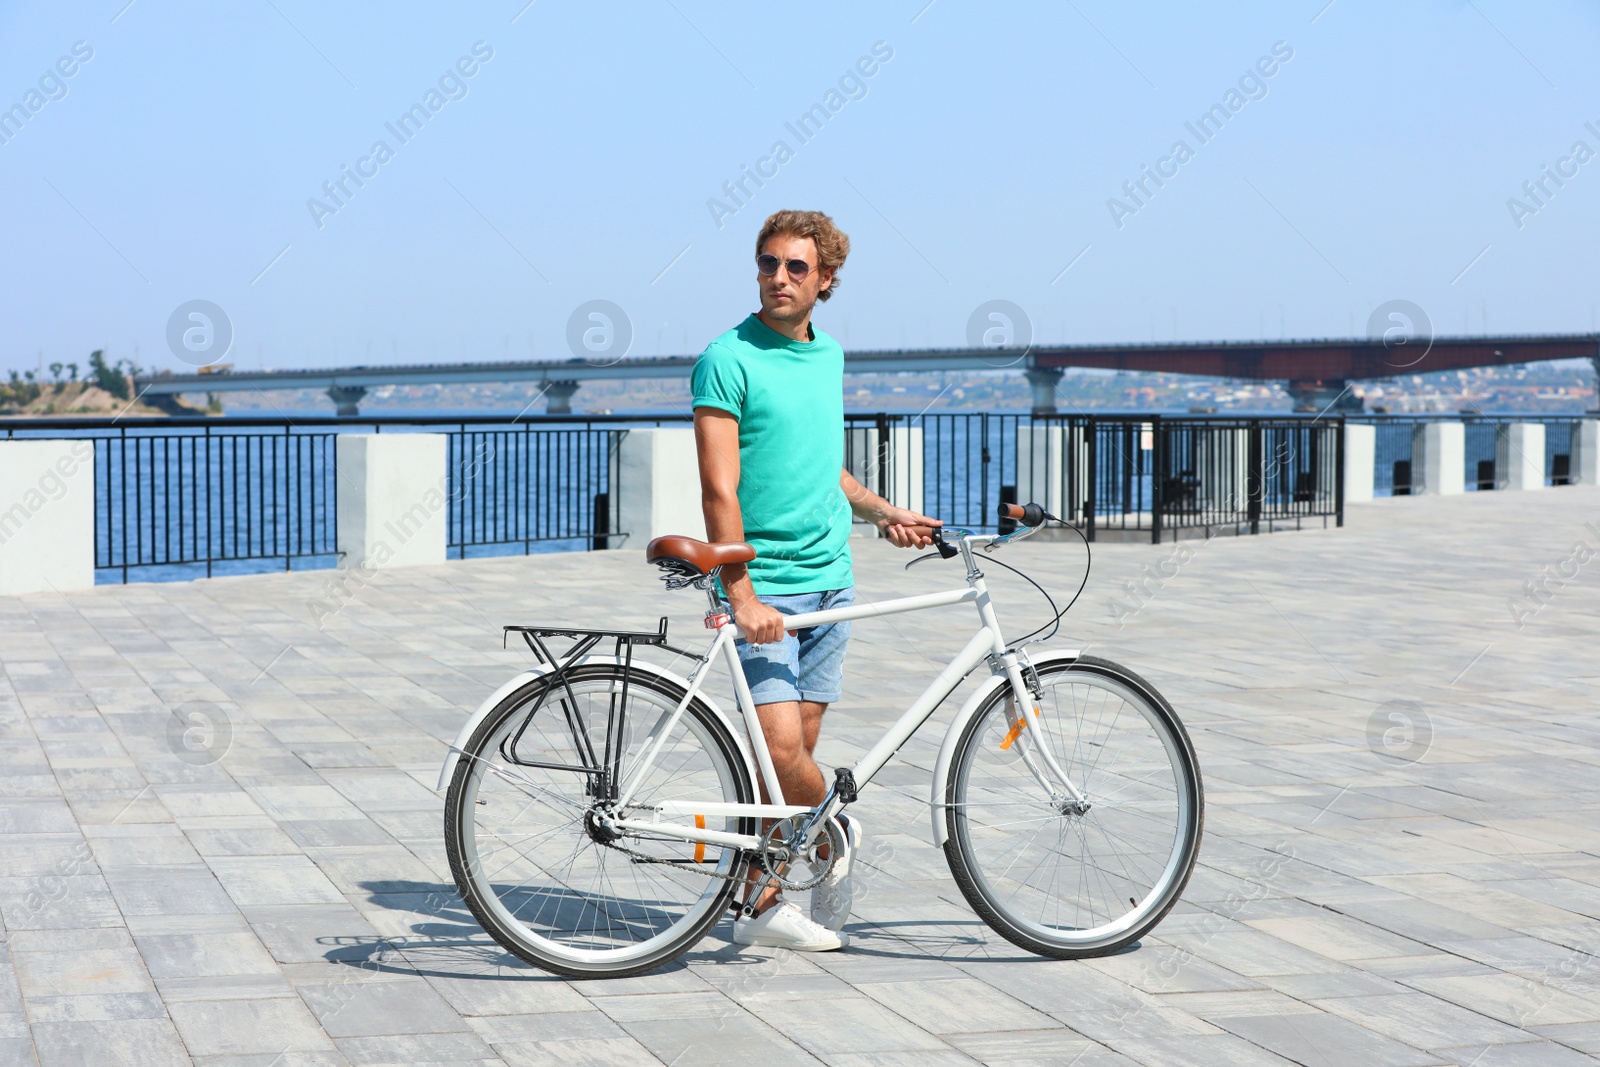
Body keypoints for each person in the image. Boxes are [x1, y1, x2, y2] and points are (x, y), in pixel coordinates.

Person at [690, 209, 941, 951]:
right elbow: (719, 489)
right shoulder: (725, 357)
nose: (778, 278)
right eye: (768, 264)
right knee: (775, 752)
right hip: (764, 588)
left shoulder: (827, 356)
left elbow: (822, 468)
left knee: (788, 755)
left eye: (796, 267)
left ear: (825, 279)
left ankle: (760, 900)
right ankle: (834, 829)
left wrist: (884, 512)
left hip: (832, 580)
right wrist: (740, 592)